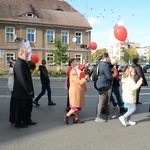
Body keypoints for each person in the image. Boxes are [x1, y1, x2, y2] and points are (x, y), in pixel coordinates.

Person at [13, 42, 36, 128]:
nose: (27, 56)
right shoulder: (19, 64)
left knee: (28, 107)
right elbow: (22, 79)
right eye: (26, 54)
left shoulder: (23, 63)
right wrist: (29, 90)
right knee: (21, 108)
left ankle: (27, 120)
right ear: (21, 54)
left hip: (25, 91)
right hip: (22, 91)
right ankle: (18, 123)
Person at [64, 59, 89, 125]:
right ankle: (66, 116)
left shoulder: (77, 71)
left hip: (78, 91)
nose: (80, 65)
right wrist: (85, 78)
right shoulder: (73, 72)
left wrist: (85, 76)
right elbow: (78, 82)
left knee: (78, 106)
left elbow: (81, 77)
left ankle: (76, 118)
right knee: (75, 107)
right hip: (75, 91)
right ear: (75, 65)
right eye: (79, 64)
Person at [95, 52, 116, 123]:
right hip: (103, 85)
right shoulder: (105, 65)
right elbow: (109, 77)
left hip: (100, 84)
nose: (109, 59)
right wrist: (114, 74)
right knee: (101, 101)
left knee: (107, 100)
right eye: (108, 57)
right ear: (105, 58)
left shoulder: (99, 64)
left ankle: (108, 115)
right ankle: (98, 116)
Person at [8, 59, 16, 124]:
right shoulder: (11, 69)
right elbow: (13, 72)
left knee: (13, 97)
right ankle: (11, 107)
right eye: (13, 63)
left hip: (13, 84)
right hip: (12, 85)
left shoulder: (13, 68)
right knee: (13, 97)